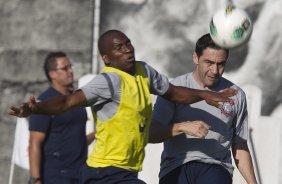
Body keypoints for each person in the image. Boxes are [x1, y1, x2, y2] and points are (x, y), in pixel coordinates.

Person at [9, 30, 236, 184]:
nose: (128, 49)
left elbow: (175, 93)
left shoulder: (143, 71)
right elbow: (67, 101)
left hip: (124, 172)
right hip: (104, 172)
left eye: (128, 43)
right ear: (107, 58)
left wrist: (205, 95)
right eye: (119, 48)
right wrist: (36, 108)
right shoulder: (107, 81)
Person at [149, 33, 257, 184]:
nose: (214, 70)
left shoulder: (236, 95)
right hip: (176, 166)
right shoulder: (173, 89)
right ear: (195, 58)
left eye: (221, 64)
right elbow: (151, 134)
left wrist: (253, 182)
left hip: (215, 167)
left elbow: (239, 144)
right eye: (209, 62)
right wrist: (182, 127)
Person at [27, 52, 95, 184]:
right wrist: (36, 179)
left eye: (70, 67)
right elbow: (34, 143)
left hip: (80, 175)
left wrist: (98, 134)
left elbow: (76, 140)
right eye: (65, 68)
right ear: (52, 74)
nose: (70, 71)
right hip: (56, 177)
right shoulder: (45, 103)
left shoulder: (76, 100)